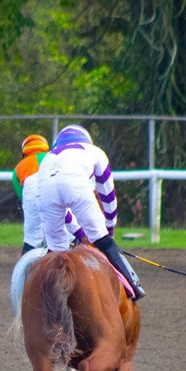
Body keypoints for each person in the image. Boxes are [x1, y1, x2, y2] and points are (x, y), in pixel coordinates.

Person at [35, 124, 145, 300]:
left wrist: (79, 233)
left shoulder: (48, 157)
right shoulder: (95, 152)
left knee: (56, 253)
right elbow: (108, 196)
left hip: (44, 193)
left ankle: (43, 298)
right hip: (76, 187)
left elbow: (63, 212)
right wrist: (108, 231)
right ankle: (134, 285)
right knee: (103, 241)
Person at [13, 133, 83, 254]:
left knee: (32, 238)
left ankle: (26, 262)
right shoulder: (54, 157)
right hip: (57, 191)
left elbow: (22, 196)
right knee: (67, 227)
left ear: (24, 153)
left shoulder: (18, 168)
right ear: (46, 148)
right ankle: (76, 243)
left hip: (33, 198)